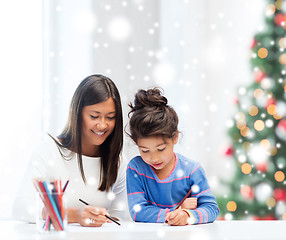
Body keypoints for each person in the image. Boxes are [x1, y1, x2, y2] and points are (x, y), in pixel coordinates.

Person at [12, 74, 129, 227]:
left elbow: (121, 218)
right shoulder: (49, 151)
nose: (102, 125)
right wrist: (71, 214)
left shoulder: (118, 161)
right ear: (77, 114)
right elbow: (21, 208)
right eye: (94, 116)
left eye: (110, 117)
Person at [126, 87, 219, 225]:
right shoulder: (136, 169)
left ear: (175, 138)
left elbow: (211, 209)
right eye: (145, 150)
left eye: (161, 149)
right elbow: (138, 211)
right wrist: (175, 211)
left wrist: (187, 215)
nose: (154, 158)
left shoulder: (192, 170)